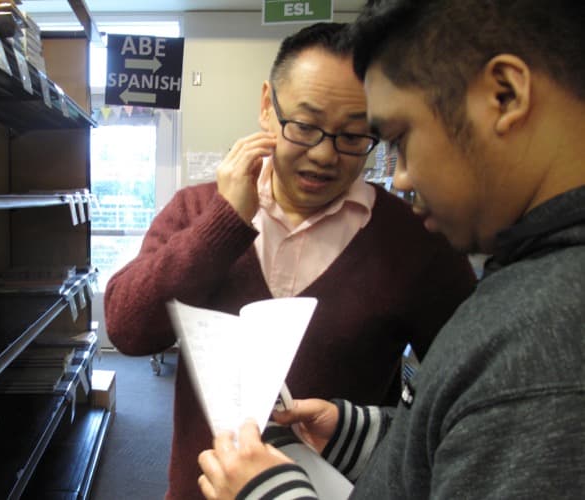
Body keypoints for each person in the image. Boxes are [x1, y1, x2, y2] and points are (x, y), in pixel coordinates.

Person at [197, 1, 585, 498]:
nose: (400, 177)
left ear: (504, 95)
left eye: (398, 137)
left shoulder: (541, 353)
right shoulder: (525, 288)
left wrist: (266, 494)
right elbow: (447, 439)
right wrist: (360, 434)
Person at [103, 22, 477, 500]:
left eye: (353, 136)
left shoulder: (414, 239)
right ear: (267, 106)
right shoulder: (196, 211)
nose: (324, 155)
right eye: (304, 126)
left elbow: (468, 387)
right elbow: (128, 329)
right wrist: (224, 223)